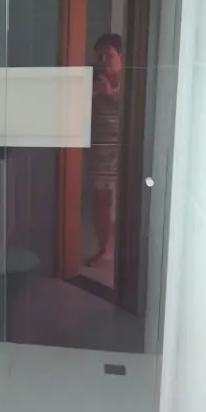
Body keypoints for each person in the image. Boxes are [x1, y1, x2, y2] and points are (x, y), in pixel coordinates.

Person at [86, 33, 122, 268]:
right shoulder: (93, 82)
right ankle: (104, 251)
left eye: (108, 56)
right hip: (100, 155)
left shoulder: (134, 83)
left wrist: (112, 94)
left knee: (131, 204)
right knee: (101, 204)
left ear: (121, 57)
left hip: (126, 153)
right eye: (99, 57)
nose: (103, 61)